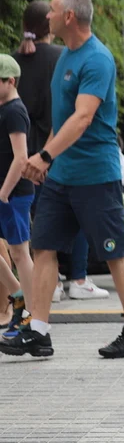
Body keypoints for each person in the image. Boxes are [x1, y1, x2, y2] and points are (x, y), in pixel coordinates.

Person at [1, 0, 124, 359]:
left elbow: (83, 118)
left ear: (69, 17)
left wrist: (46, 155)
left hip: (95, 174)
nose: (46, 18)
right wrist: (43, 158)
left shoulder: (97, 59)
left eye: (52, 11)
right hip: (62, 175)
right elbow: (63, 118)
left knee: (114, 251)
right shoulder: (66, 57)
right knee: (45, 247)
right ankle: (39, 331)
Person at [13, 1, 107, 301]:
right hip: (57, 150)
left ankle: (48, 286)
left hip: (22, 153)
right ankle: (77, 278)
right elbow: (70, 112)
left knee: (40, 225)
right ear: (48, 25)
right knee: (74, 215)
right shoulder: (62, 57)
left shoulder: (14, 63)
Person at [0, 55, 35, 330]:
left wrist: (3, 193)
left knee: (20, 253)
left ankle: (32, 315)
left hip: (13, 193)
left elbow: (21, 158)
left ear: (10, 81)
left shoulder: (14, 111)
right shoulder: (4, 108)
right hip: (4, 192)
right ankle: (18, 294)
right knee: (16, 251)